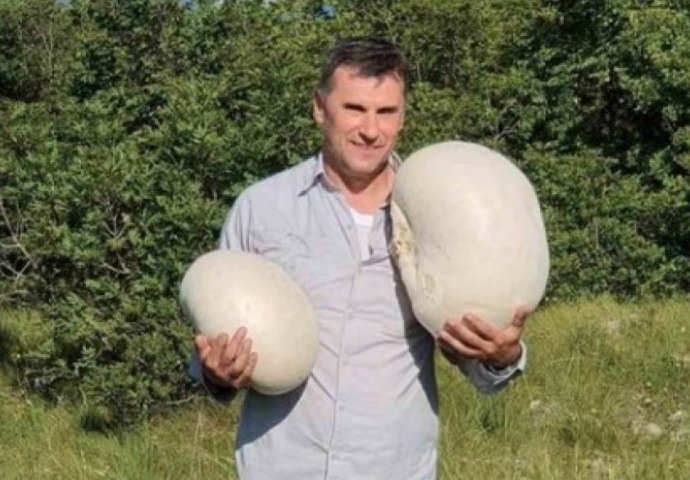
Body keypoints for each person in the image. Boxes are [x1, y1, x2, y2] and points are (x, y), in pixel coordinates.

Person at [189, 37, 528, 479]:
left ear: (402, 117)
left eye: (386, 112)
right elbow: (214, 338)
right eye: (354, 109)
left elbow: (474, 356)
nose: (371, 130)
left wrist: (502, 355)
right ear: (319, 107)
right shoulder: (261, 208)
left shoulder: (441, 215)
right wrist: (216, 373)